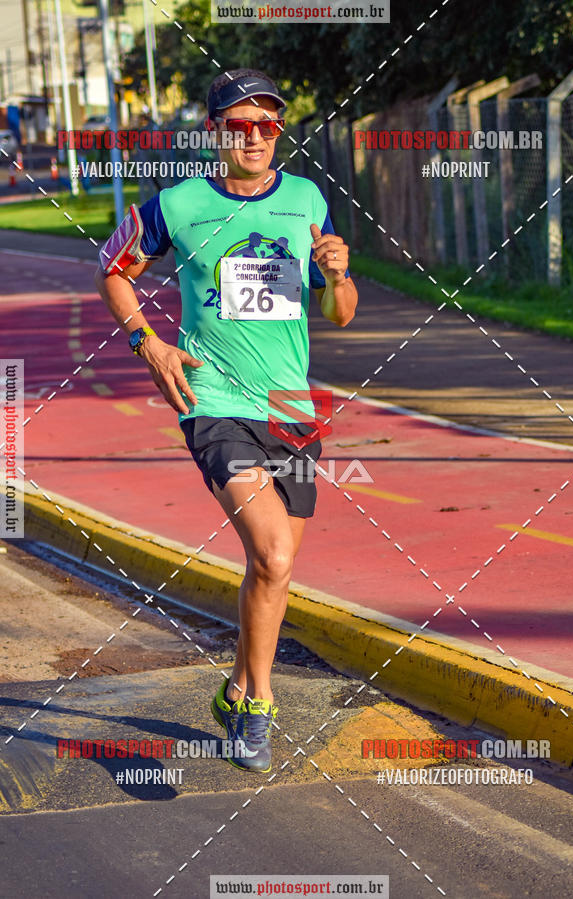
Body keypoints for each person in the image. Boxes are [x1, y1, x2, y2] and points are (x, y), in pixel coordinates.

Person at [94, 68, 358, 773]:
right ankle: (260, 707)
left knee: (271, 568)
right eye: (239, 125)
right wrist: (146, 341)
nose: (255, 137)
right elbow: (112, 265)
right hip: (214, 403)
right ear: (213, 131)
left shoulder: (306, 199)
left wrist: (338, 275)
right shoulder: (177, 205)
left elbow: (341, 313)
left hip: (292, 410)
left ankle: (237, 687)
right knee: (272, 553)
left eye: (267, 125)